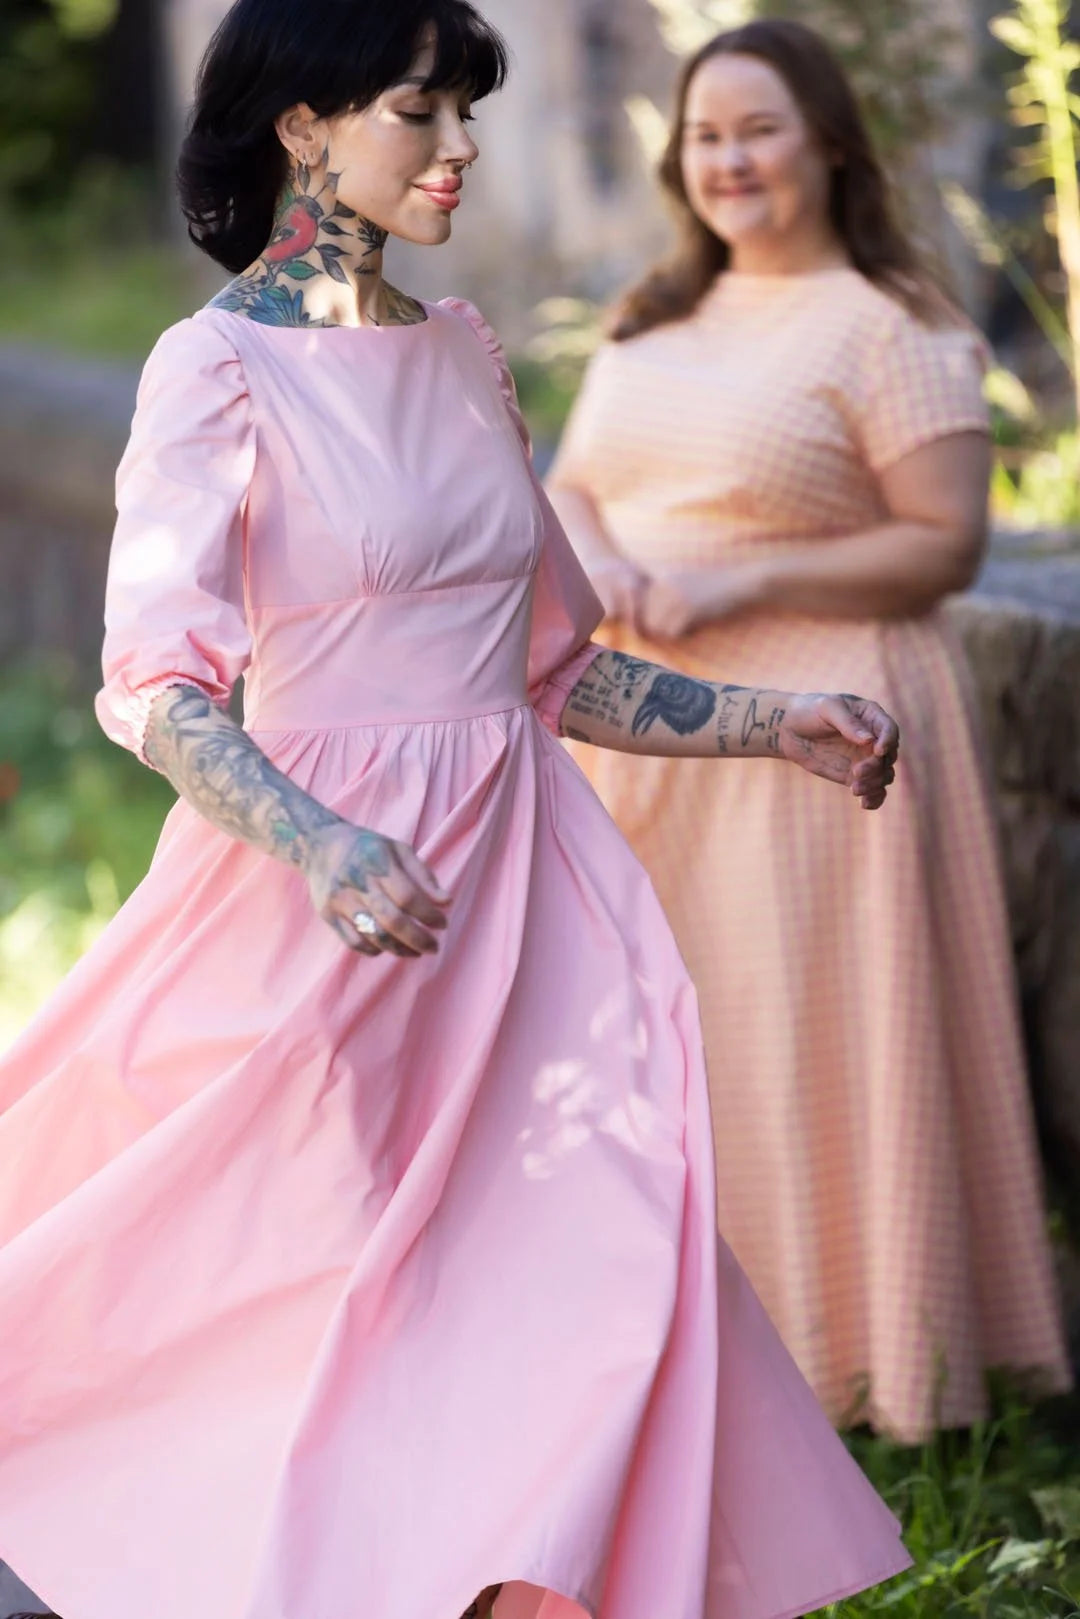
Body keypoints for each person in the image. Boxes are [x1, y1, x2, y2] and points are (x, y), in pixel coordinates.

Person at [0, 4, 910, 1618]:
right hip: (323, 910)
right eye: (422, 111)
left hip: (532, 909)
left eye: (465, 113)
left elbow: (551, 669)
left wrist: (784, 723)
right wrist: (324, 843)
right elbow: (151, 681)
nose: (461, 149)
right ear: (304, 128)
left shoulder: (466, 349)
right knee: (321, 1314)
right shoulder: (213, 367)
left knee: (584, 1285)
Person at [546, 18, 1072, 1444]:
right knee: (666, 1042)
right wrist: (606, 563)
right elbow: (577, 482)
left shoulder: (895, 328)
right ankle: (662, 1361)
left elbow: (945, 545)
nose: (727, 159)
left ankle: (854, 1373)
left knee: (806, 1044)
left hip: (820, 730)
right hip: (648, 723)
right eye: (704, 135)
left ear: (832, 142)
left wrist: (736, 577)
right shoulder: (653, 318)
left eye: (757, 128)